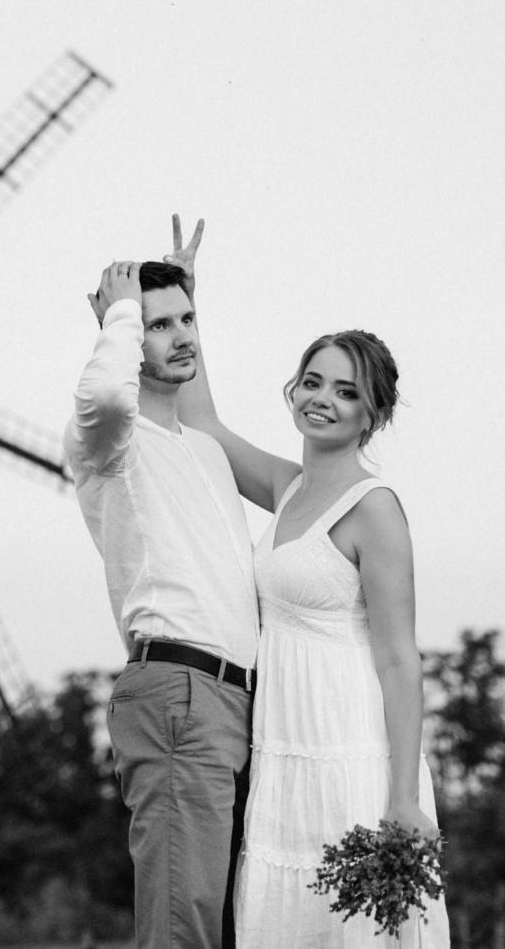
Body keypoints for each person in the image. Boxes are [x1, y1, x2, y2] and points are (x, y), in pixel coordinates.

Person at [175, 229, 450, 946]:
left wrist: (399, 797)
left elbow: (397, 657)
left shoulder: (374, 507)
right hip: (283, 747)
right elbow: (200, 422)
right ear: (293, 388)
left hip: (351, 751)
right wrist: (185, 306)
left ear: (372, 414)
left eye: (345, 391)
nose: (321, 399)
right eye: (313, 381)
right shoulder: (287, 485)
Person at [63, 240, 260, 949]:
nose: (181, 336)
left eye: (187, 319)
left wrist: (162, 301)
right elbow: (104, 393)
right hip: (178, 692)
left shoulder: (200, 448)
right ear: (124, 336)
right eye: (158, 324)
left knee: (234, 921)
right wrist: (118, 315)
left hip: (241, 701)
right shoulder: (109, 441)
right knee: (184, 923)